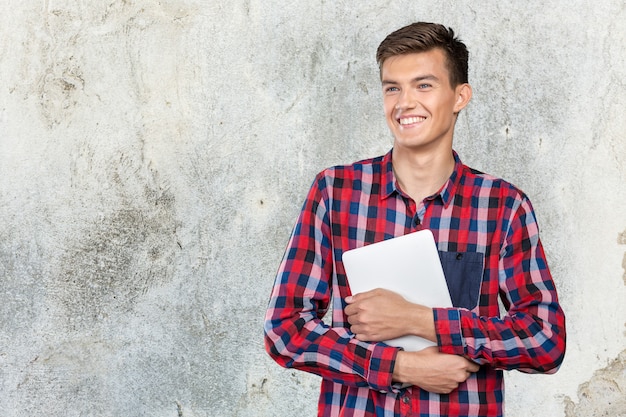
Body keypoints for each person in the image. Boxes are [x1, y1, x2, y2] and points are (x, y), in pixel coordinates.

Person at [264, 21, 566, 417]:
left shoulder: (503, 206)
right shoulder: (334, 192)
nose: (404, 102)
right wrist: (400, 367)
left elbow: (546, 341)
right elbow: (285, 329)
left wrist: (423, 321)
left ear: (460, 96)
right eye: (393, 87)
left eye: (423, 85)